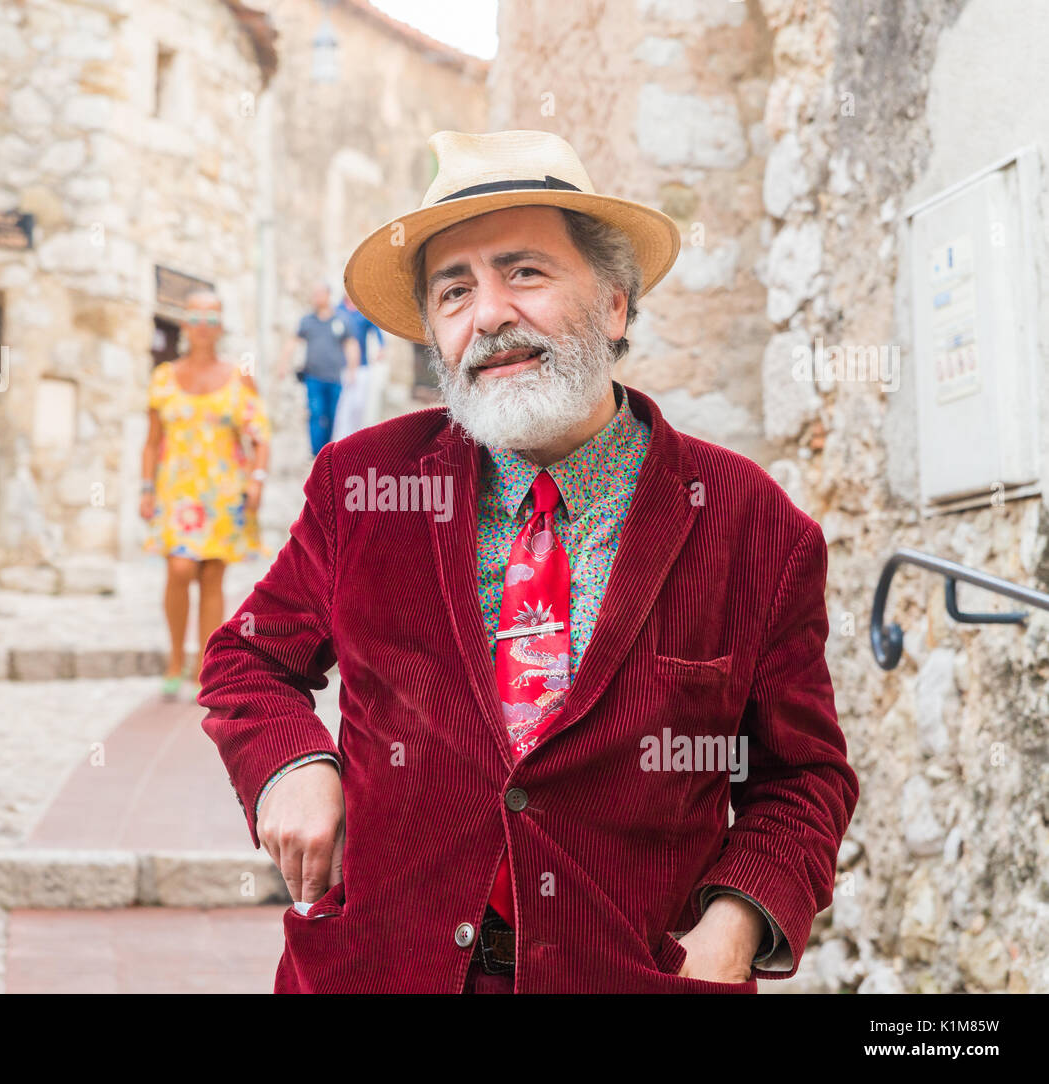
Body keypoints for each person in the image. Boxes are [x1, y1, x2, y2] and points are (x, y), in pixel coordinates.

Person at [199, 130, 857, 993]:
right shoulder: (361, 484)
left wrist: (736, 924)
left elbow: (802, 776)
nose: (490, 314)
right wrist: (293, 766)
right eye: (455, 290)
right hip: (377, 970)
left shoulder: (752, 525)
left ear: (615, 305)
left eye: (527, 273)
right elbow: (247, 659)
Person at [141, 290, 271, 698]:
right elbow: (151, 442)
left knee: (213, 576)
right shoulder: (163, 378)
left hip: (223, 492)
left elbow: (260, 437)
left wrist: (257, 480)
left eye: (211, 319)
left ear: (221, 327)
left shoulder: (239, 377)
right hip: (177, 492)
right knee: (179, 569)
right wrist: (146, 488)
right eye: (196, 318)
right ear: (184, 325)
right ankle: (175, 658)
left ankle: (203, 665)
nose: (203, 327)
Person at [280, 285, 358, 455]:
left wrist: (353, 370)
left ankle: (327, 449)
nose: (316, 298)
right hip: (313, 376)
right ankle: (316, 452)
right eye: (314, 294)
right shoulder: (307, 321)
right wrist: (283, 364)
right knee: (316, 412)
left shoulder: (341, 320)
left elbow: (351, 345)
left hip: (335, 377)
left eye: (319, 294)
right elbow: (293, 342)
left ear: (328, 295)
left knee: (331, 415)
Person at [330, 291, 385, 440]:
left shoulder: (363, 311)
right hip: (341, 366)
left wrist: (381, 348)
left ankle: (355, 437)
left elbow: (377, 330)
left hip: (362, 366)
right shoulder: (337, 310)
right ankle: (340, 440)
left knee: (359, 404)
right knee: (342, 406)